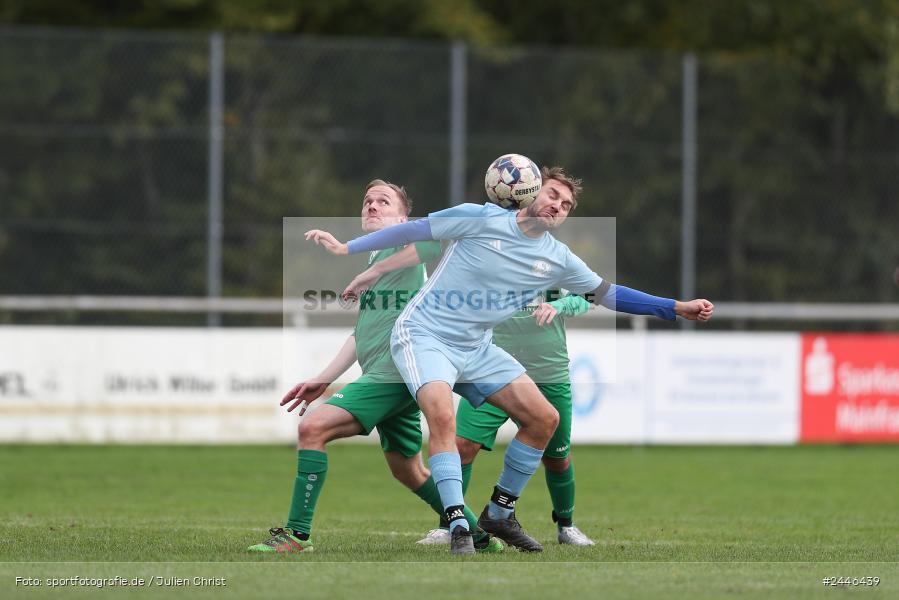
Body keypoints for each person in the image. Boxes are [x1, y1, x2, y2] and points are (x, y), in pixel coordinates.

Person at [305, 167, 714, 555]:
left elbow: (609, 293)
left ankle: (500, 513)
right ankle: (457, 525)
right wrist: (347, 248)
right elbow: (417, 228)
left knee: (544, 419)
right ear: (529, 190)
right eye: (552, 194)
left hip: (476, 346)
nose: (557, 204)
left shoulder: (558, 257)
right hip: (424, 335)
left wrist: (676, 307)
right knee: (443, 418)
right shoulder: (478, 218)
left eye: (566, 204)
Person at [247, 179, 502, 554]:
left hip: (397, 372)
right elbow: (360, 334)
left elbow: (431, 244)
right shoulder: (377, 256)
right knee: (408, 470)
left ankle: (297, 535)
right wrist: (323, 378)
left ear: (403, 217)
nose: (372, 206)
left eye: (384, 202)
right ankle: (477, 536)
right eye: (368, 201)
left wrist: (374, 273)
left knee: (313, 427)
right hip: (384, 373)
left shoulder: (401, 245)